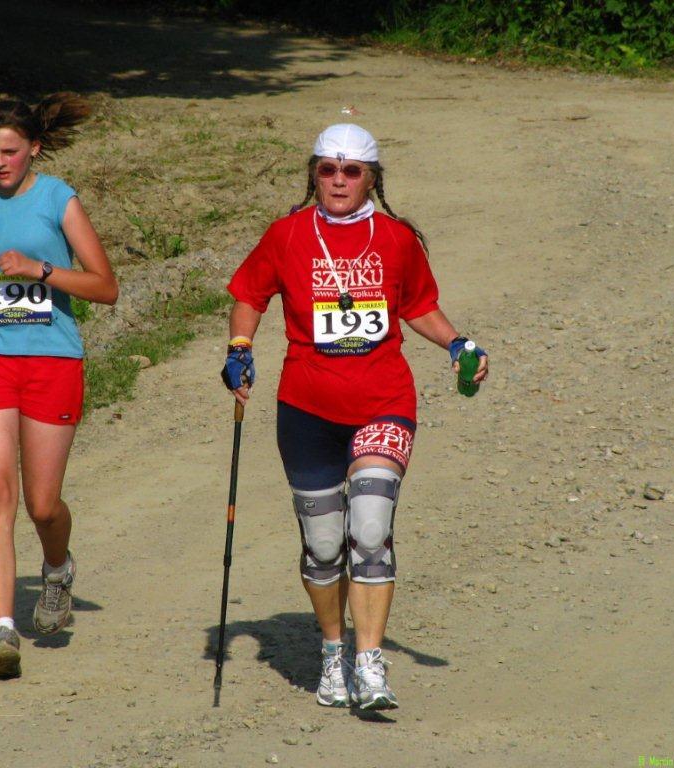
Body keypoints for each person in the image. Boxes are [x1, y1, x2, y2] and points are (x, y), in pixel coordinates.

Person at [222, 124, 488, 710]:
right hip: (307, 407)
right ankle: (333, 651)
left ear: (372, 177)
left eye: (351, 171)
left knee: (369, 529)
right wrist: (240, 347)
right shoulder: (287, 234)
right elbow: (249, 292)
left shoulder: (394, 238)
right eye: (327, 169)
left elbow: (418, 305)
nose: (338, 180)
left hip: (383, 401)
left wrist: (457, 344)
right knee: (322, 546)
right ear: (314, 173)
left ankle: (370, 663)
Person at [0, 93, 118, 678]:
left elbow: (104, 286)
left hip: (52, 362)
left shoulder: (56, 198)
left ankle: (57, 568)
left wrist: (41, 270)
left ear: (33, 148)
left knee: (43, 505)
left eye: (10, 151)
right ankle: (1, 629)